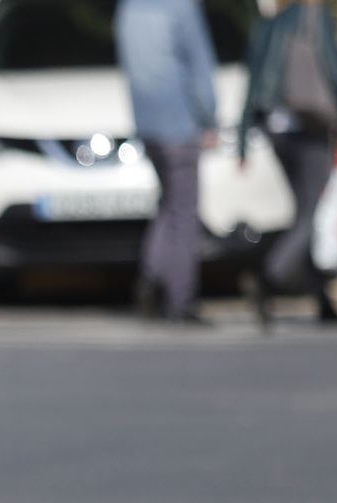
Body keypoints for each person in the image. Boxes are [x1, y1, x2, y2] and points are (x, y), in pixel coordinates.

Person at [117, 0, 221, 325]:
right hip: (180, 123)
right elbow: (199, 65)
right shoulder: (181, 7)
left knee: (169, 205)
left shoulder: (129, 8)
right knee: (184, 213)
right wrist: (209, 119)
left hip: (147, 124)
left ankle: (150, 279)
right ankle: (180, 299)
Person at [240, 0, 337, 327]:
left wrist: (242, 140)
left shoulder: (267, 26)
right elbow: (333, 67)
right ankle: (270, 276)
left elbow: (252, 83)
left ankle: (320, 297)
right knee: (314, 212)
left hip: (276, 130)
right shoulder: (314, 17)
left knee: (305, 211)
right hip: (309, 128)